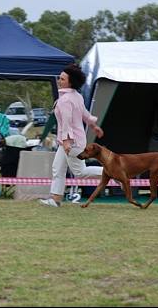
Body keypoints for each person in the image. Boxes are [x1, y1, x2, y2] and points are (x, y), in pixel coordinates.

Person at [39, 63, 104, 207]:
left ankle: (111, 171)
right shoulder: (77, 96)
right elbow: (85, 114)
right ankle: (55, 199)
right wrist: (94, 126)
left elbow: (67, 122)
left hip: (71, 142)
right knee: (58, 168)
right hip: (72, 141)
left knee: (80, 172)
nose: (59, 81)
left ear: (70, 82)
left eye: (62, 79)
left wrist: (67, 141)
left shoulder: (65, 100)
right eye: (59, 78)